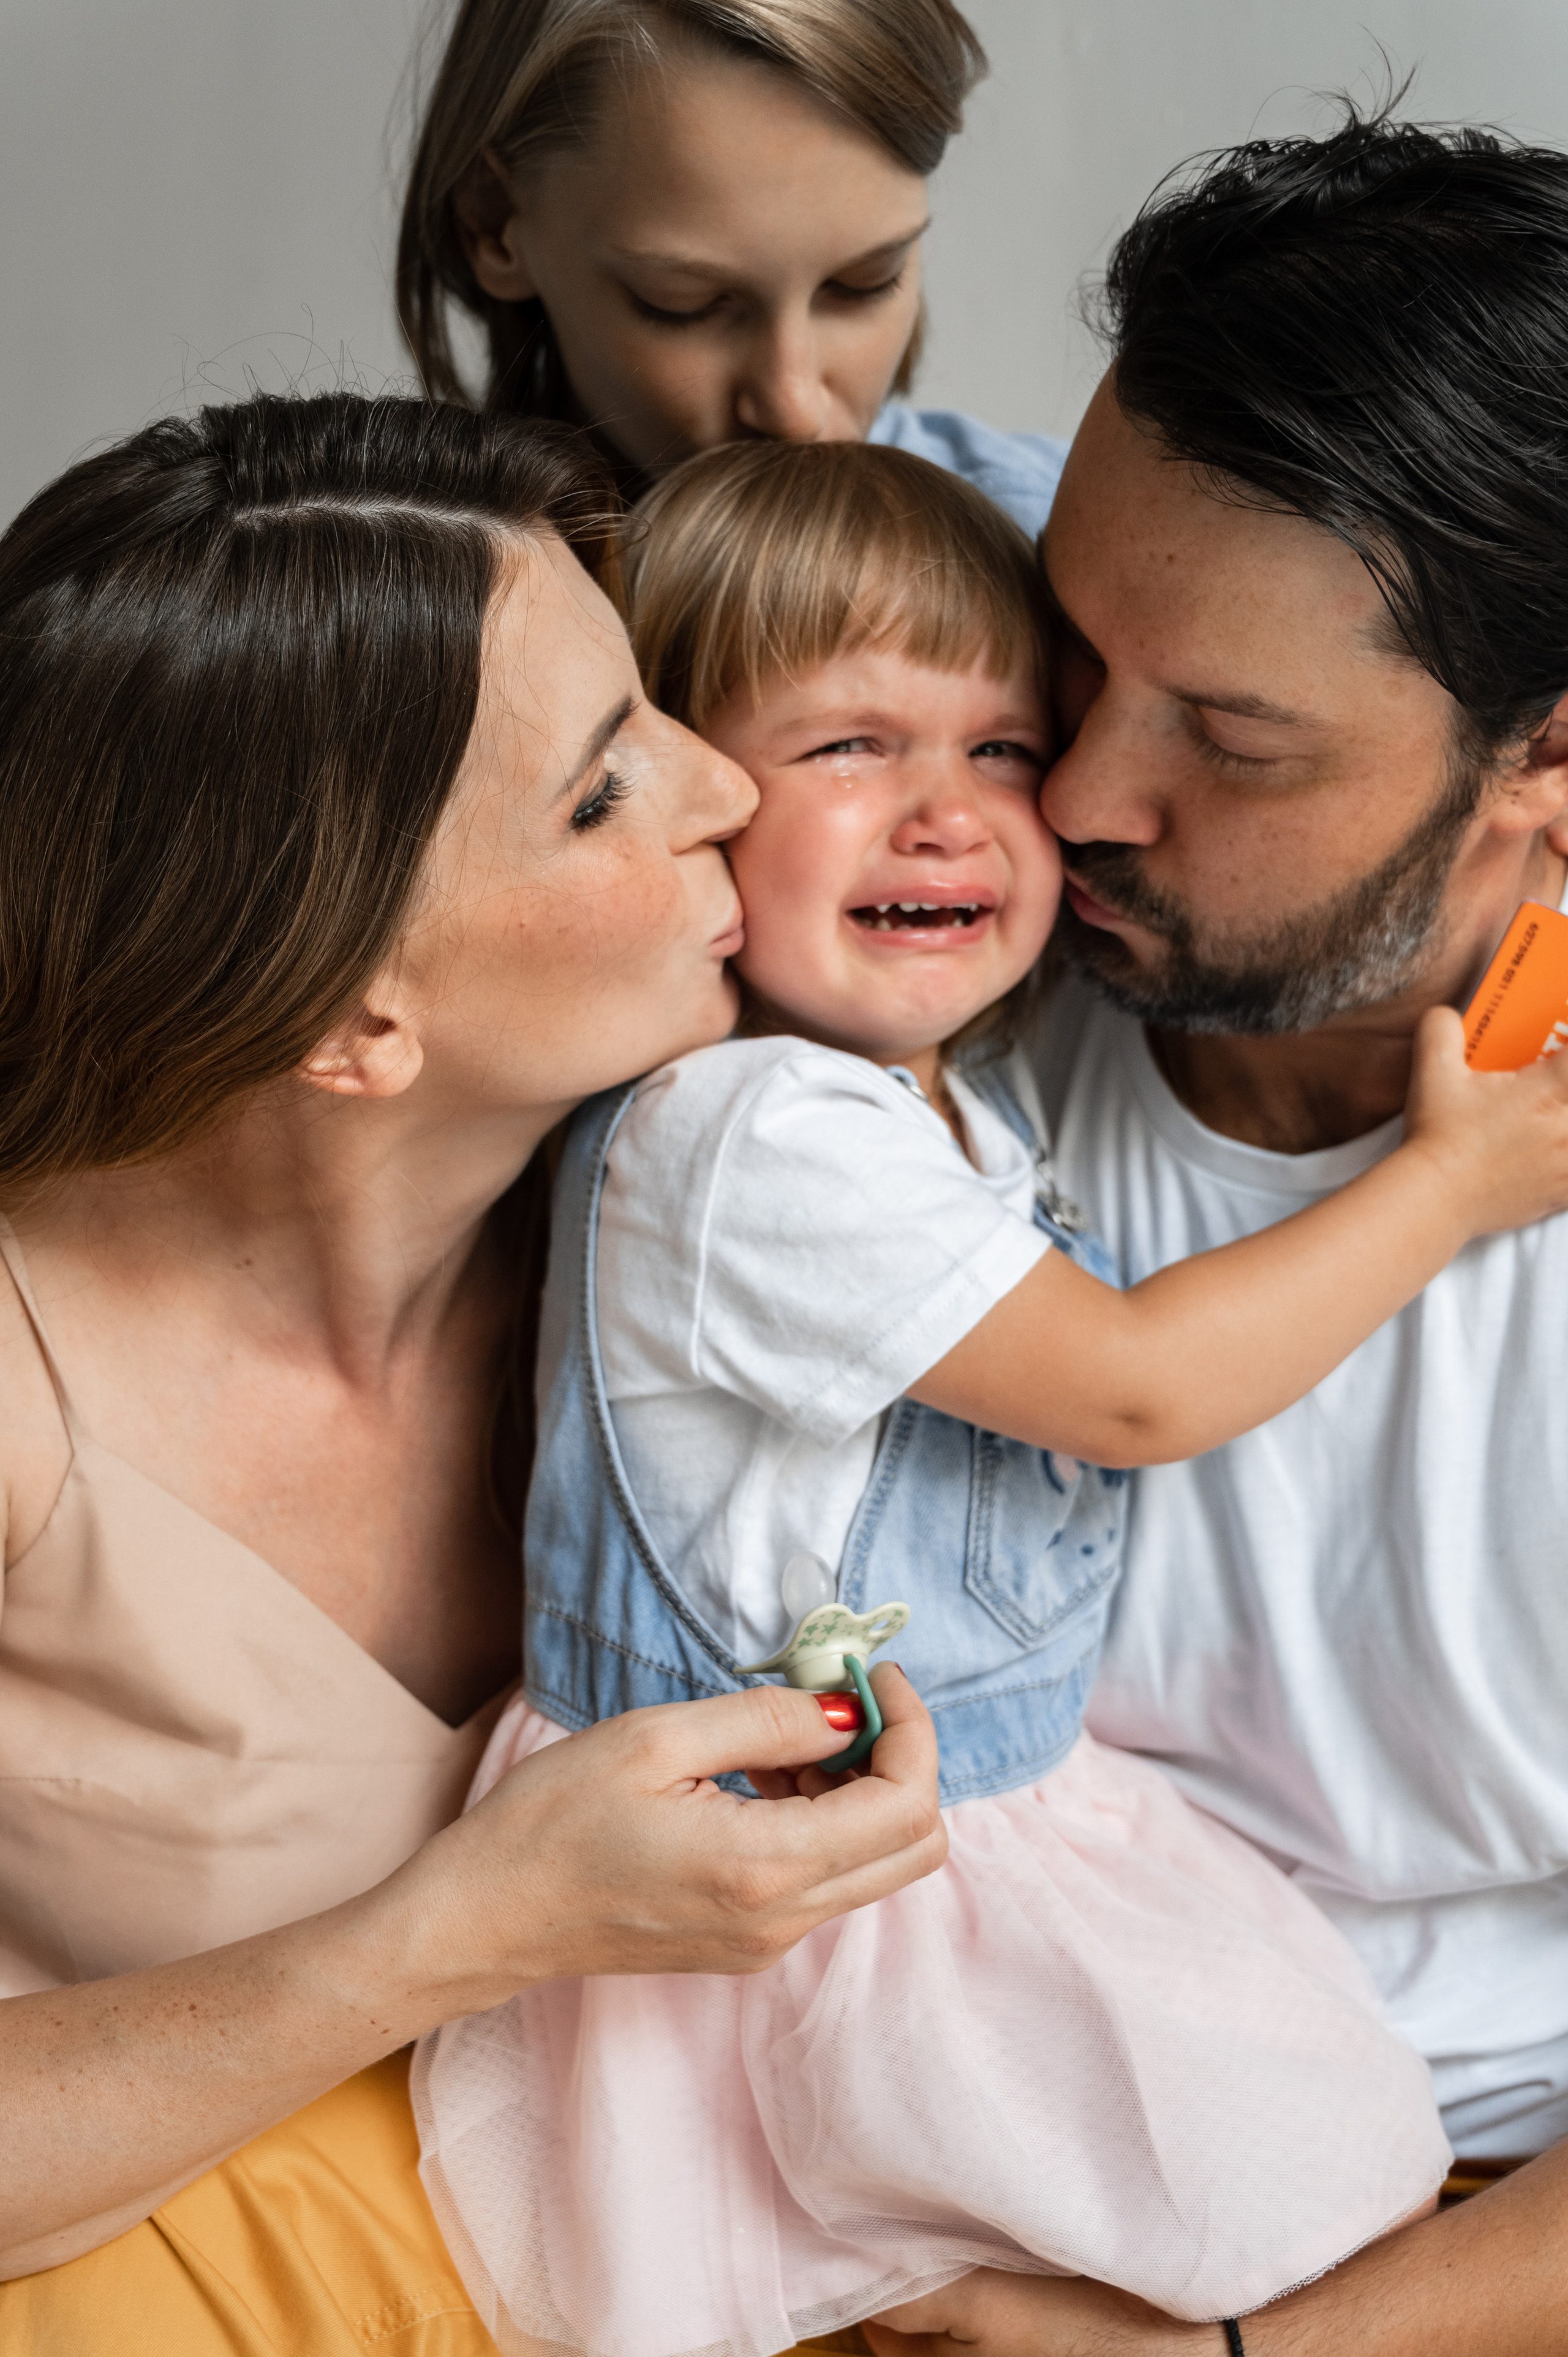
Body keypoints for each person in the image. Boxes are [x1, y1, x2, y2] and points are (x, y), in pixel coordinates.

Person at [411, 437, 1568, 2357]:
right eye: (853, 748)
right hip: (841, 1900)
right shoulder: (773, 1117)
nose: (1065, 806)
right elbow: (1125, 1391)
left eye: (1004, 748)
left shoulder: (946, 1075)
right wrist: (1444, 1185)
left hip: (1161, 1998)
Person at [0, 392, 948, 2355]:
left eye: (653, 711)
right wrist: (458, 1930)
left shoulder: (714, 1231)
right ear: (353, 1015)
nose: (726, 788)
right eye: (606, 792)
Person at [863, 106, 1568, 2357]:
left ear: (1536, 767)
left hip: (1425, 2235)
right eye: (1076, 648)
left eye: (1230, 741)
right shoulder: (894, 953)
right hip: (881, 2126)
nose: (1068, 795)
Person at [397, 0, 1066, 533]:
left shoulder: (1046, 546)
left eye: (865, 283)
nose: (793, 410)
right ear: (492, 225)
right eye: (683, 303)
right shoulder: (398, 626)